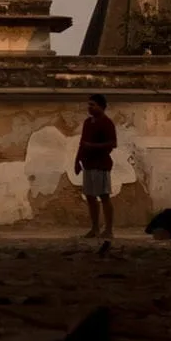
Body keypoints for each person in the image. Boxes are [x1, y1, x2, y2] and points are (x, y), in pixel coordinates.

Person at [73, 93, 118, 239]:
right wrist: (77, 161)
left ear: (101, 106)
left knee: (104, 196)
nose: (89, 107)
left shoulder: (107, 123)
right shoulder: (87, 123)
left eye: (92, 105)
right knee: (90, 197)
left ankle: (109, 229)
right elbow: (82, 143)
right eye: (89, 104)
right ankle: (94, 228)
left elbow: (112, 144)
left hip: (101, 165)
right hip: (88, 165)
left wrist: (93, 146)